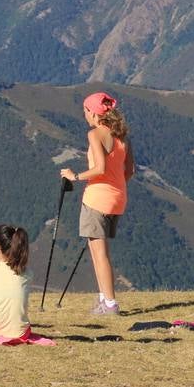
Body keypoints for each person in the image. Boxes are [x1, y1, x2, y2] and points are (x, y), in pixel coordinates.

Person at [60, 91, 134, 315]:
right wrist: (115, 185)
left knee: (98, 253)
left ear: (93, 112)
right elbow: (129, 170)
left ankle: (110, 304)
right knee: (102, 252)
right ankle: (104, 298)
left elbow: (100, 168)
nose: (84, 115)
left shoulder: (95, 135)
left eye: (85, 110)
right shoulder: (122, 136)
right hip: (118, 199)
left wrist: (75, 176)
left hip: (97, 199)